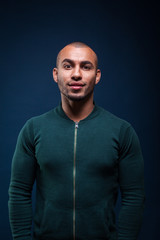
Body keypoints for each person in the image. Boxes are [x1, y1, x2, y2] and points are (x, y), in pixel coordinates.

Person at [8, 42, 145, 240]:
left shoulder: (122, 131)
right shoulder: (33, 129)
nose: (76, 74)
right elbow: (19, 192)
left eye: (86, 66)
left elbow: (134, 197)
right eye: (68, 66)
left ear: (97, 76)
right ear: (56, 74)